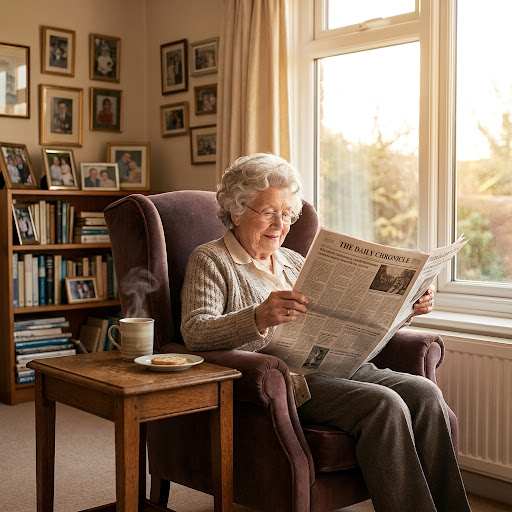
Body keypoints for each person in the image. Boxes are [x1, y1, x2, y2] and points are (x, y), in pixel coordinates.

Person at [180, 153, 471, 512]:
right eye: (269, 211)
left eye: (287, 213)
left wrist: (407, 308)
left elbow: (358, 316)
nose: (280, 224)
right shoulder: (210, 260)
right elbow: (195, 333)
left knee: (424, 392)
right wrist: (258, 317)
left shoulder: (294, 260)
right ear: (237, 211)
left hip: (342, 364)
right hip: (292, 380)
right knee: (385, 405)